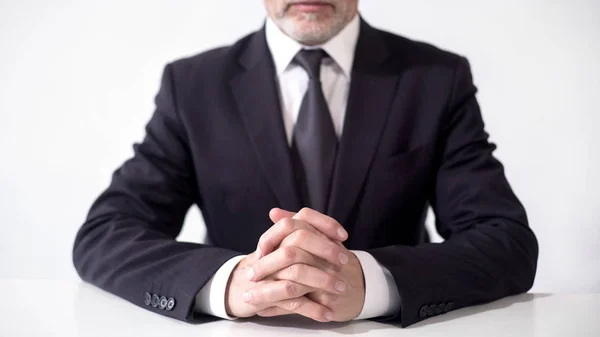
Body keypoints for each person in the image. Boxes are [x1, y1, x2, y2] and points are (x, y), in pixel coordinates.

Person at [72, 0, 539, 327]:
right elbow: (105, 234)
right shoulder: (192, 85)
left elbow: (507, 243)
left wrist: (374, 282)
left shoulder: (436, 78)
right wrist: (235, 283)